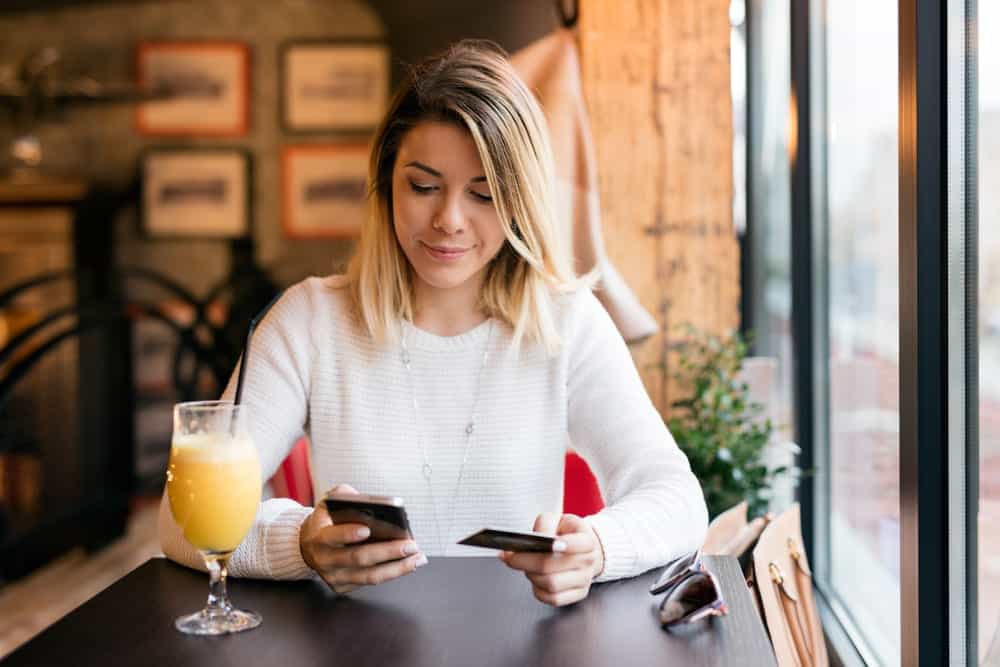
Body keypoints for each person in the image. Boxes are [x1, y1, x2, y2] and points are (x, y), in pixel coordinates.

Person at [159, 39, 708, 607]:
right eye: (422, 187)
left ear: (522, 200)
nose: (449, 220)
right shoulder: (308, 321)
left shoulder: (565, 322)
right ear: (385, 185)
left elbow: (677, 498)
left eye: (485, 194)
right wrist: (299, 542)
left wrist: (598, 546)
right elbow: (181, 519)